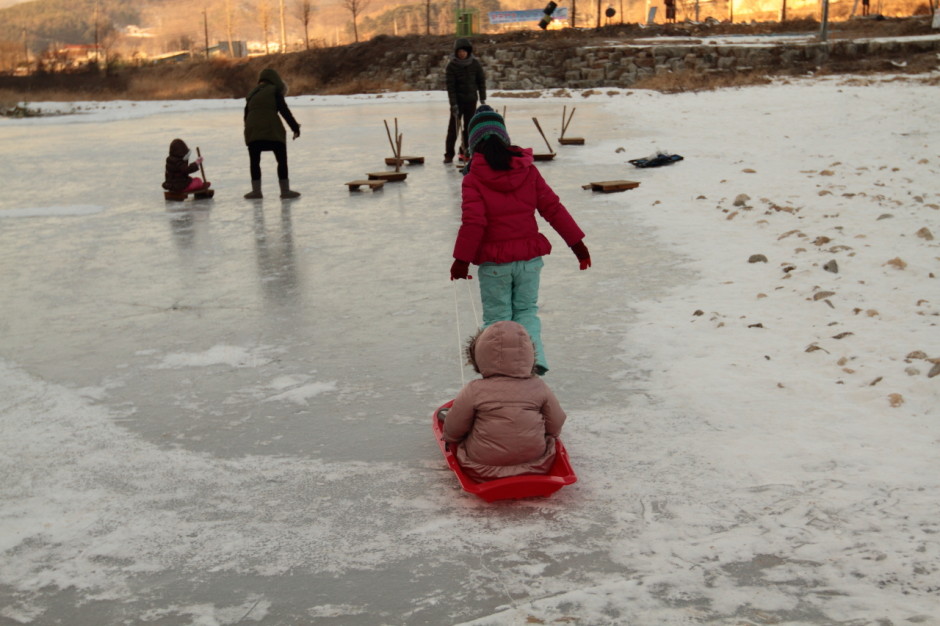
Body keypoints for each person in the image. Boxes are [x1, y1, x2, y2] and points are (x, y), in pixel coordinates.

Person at [449, 106, 591, 375]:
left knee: (498, 320)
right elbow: (553, 209)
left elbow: (474, 223)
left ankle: (501, 374)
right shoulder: (527, 170)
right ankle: (534, 361)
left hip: (495, 265)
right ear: (504, 138)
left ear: (473, 144)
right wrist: (577, 246)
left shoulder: (473, 178)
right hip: (528, 260)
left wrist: (461, 261)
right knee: (526, 312)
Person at [441, 321, 567, 481]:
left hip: (483, 468)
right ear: (529, 354)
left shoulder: (475, 389)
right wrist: (549, 434)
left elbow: (455, 426)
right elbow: (556, 422)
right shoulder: (538, 386)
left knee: (467, 429)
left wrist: (450, 438)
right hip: (536, 464)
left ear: (479, 355)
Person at [243, 68, 301, 200]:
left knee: (254, 162)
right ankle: (285, 191)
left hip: (253, 133)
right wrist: (295, 127)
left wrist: (249, 132)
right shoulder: (274, 91)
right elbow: (284, 111)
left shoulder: (252, 94)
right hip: (272, 131)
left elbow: (246, 116)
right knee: (281, 160)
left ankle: (256, 192)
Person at [444, 38, 486, 164]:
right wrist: (454, 104)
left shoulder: (475, 64)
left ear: (468, 52)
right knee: (453, 129)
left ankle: (465, 150)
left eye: (464, 51)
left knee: (469, 128)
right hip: (458, 102)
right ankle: (448, 154)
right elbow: (450, 88)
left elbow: (481, 81)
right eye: (459, 52)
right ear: (456, 52)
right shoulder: (451, 66)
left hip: (471, 100)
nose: (462, 54)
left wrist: (482, 96)